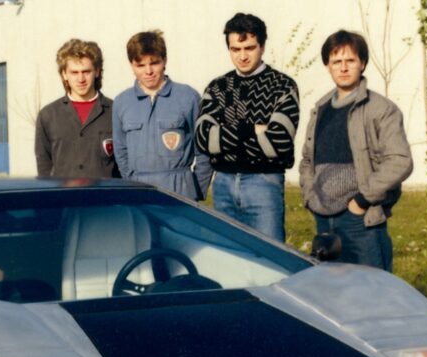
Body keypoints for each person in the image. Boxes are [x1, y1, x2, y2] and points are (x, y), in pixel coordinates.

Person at [299, 30, 412, 272]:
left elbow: (400, 160)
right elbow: (308, 159)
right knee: (333, 292)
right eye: (336, 61)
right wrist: (310, 196)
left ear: (362, 63)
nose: (343, 68)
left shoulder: (381, 109)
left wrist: (361, 201)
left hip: (360, 220)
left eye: (350, 60)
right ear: (327, 66)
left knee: (372, 291)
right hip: (323, 217)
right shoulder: (320, 109)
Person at [194, 13, 299, 241]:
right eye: (235, 49)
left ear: (262, 46)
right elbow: (204, 139)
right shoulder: (217, 87)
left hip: (264, 183)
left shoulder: (283, 86)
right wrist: (253, 130)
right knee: (230, 259)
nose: (242, 56)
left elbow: (278, 143)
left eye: (249, 48)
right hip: (222, 183)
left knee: (270, 260)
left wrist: (225, 137)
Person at [112, 30, 212, 200]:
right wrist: (131, 182)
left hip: (180, 189)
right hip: (139, 191)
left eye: (154, 63)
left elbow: (204, 150)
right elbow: (121, 151)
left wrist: (195, 189)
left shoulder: (188, 96)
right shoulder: (122, 102)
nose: (148, 71)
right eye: (140, 65)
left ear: (164, 61)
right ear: (131, 66)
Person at [35, 39, 119, 179]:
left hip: (105, 198)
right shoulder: (48, 115)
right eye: (74, 72)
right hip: (65, 198)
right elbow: (44, 166)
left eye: (86, 71)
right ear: (64, 74)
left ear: (97, 72)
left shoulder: (115, 111)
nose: (81, 79)